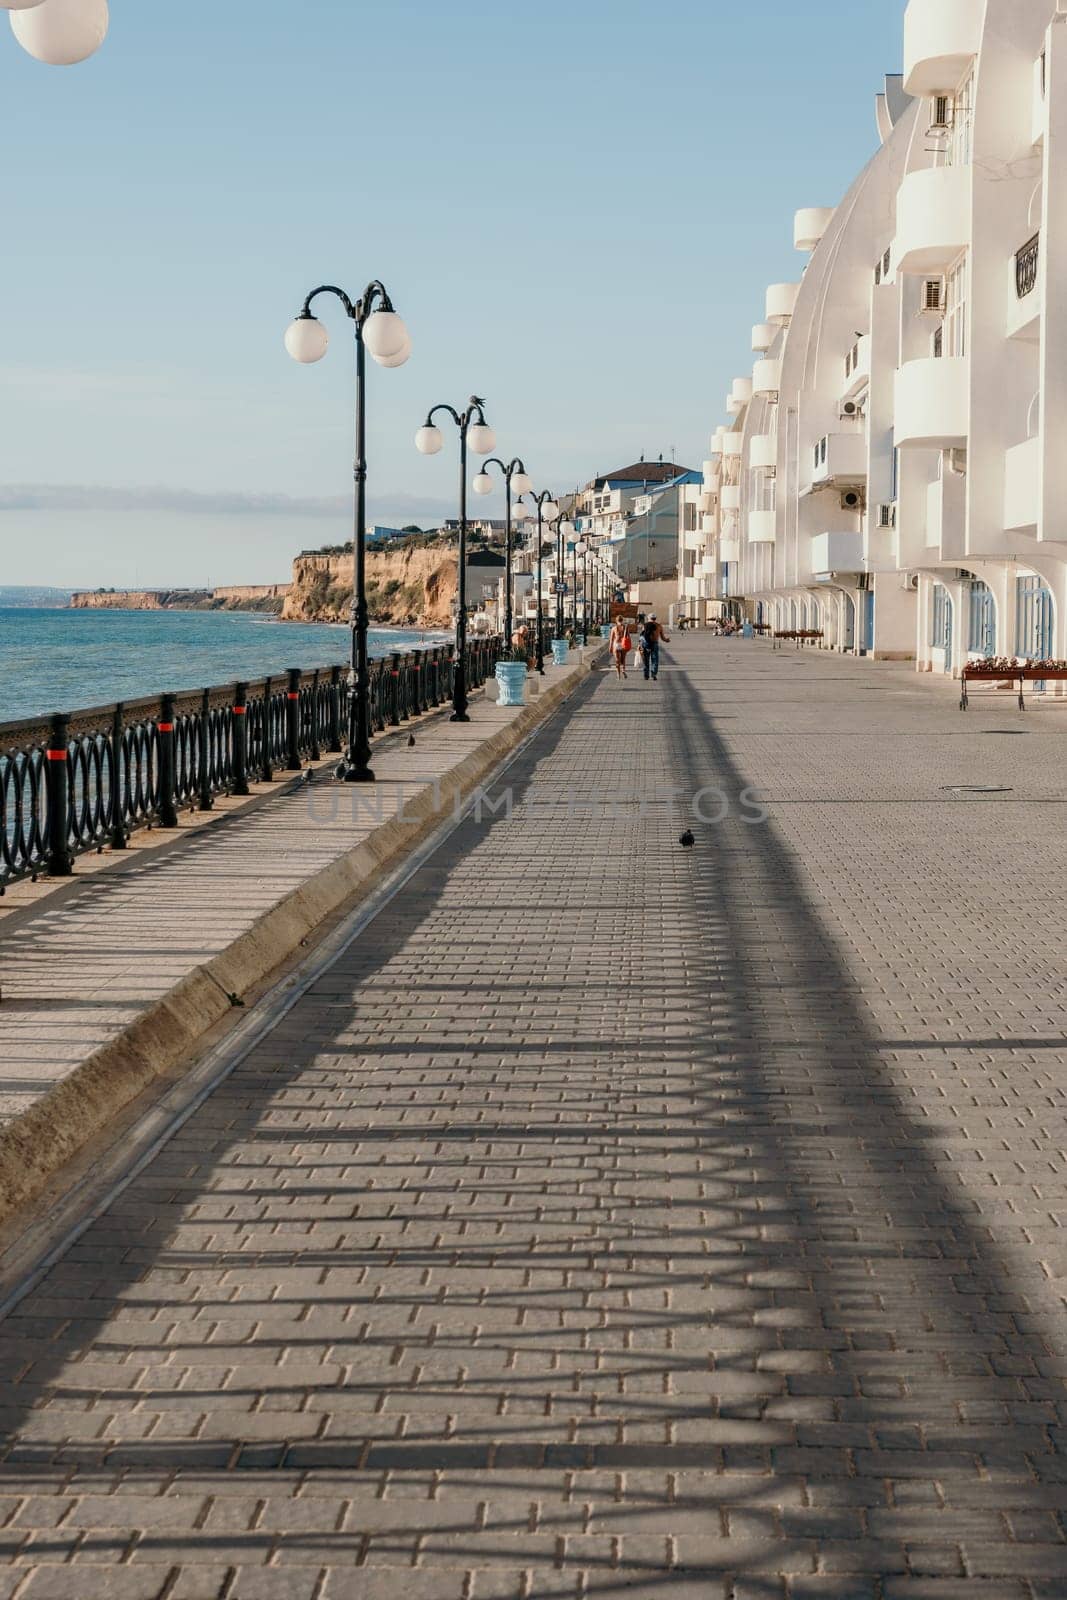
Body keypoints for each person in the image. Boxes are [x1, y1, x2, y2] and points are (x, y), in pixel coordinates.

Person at [641, 614, 671, 680]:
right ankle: (653, 674)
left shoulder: (645, 625)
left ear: (649, 618)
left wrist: (640, 645)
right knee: (655, 660)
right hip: (654, 644)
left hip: (646, 644)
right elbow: (663, 637)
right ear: (655, 618)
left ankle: (646, 675)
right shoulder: (659, 626)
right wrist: (667, 640)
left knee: (646, 660)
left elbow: (642, 636)